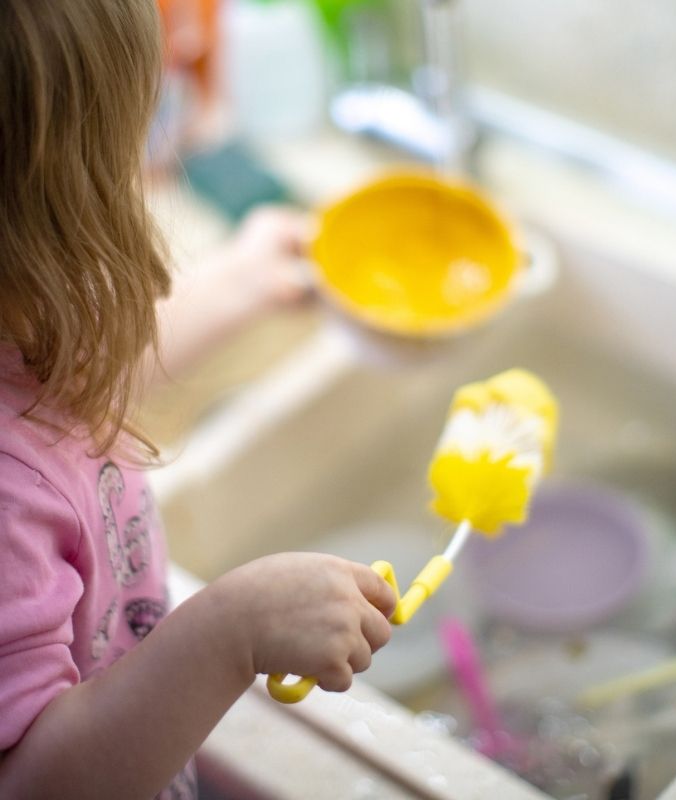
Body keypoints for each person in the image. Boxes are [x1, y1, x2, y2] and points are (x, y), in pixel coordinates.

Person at [0, 2, 396, 798]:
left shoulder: (21, 321)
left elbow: (71, 382)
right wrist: (231, 630)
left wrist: (240, 282)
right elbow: (37, 782)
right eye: (124, 157)